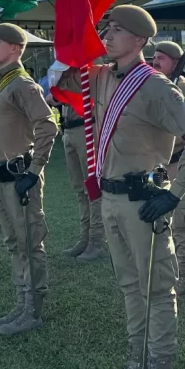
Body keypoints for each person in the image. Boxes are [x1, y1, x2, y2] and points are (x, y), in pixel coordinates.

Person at [55, 5, 185, 369]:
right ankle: (137, 363)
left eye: (117, 30)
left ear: (140, 40)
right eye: (106, 28)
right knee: (129, 287)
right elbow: (62, 74)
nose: (107, 36)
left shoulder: (156, 87)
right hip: (109, 199)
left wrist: (175, 192)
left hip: (144, 202)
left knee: (157, 291)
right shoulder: (102, 76)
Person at [0, 23, 58, 336]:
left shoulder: (23, 85)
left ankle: (33, 309)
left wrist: (34, 169)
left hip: (19, 178)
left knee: (29, 242)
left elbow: (48, 127)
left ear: (15, 47)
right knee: (14, 242)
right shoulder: (0, 82)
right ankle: (21, 301)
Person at [152, 41, 185, 294]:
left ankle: (184, 272)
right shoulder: (152, 87)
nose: (155, 62)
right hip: (156, 163)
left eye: (161, 58)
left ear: (176, 62)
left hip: (179, 162)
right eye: (154, 57)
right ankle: (165, 267)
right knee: (158, 218)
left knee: (182, 220)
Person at [57, 101, 106, 262]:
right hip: (68, 129)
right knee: (80, 190)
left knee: (92, 190)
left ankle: (96, 241)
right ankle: (85, 238)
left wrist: (60, 94)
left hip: (85, 128)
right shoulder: (62, 76)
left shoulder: (86, 75)